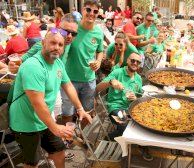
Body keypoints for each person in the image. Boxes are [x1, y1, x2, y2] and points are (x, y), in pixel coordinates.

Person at [9, 29, 92, 168]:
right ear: (43, 43)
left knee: (59, 152)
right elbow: (38, 103)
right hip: (26, 123)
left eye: (60, 44)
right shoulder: (33, 66)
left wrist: (80, 108)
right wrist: (56, 128)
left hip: (44, 120)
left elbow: (68, 85)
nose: (57, 47)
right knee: (32, 163)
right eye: (53, 43)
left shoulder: (58, 63)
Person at [95, 53, 153, 161]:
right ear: (127, 60)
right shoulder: (117, 72)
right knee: (125, 126)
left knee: (147, 122)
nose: (135, 63)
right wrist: (111, 82)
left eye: (138, 62)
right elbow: (97, 88)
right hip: (116, 107)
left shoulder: (138, 78)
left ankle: (142, 145)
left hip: (131, 108)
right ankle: (109, 137)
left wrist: (135, 97)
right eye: (132, 60)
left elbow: (140, 96)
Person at [62, 0, 104, 125]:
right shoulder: (73, 28)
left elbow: (100, 51)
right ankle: (67, 139)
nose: (91, 13)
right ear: (82, 10)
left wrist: (98, 61)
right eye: (88, 10)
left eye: (95, 11)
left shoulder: (98, 32)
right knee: (67, 112)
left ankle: (83, 137)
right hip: (69, 79)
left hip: (89, 79)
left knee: (87, 111)